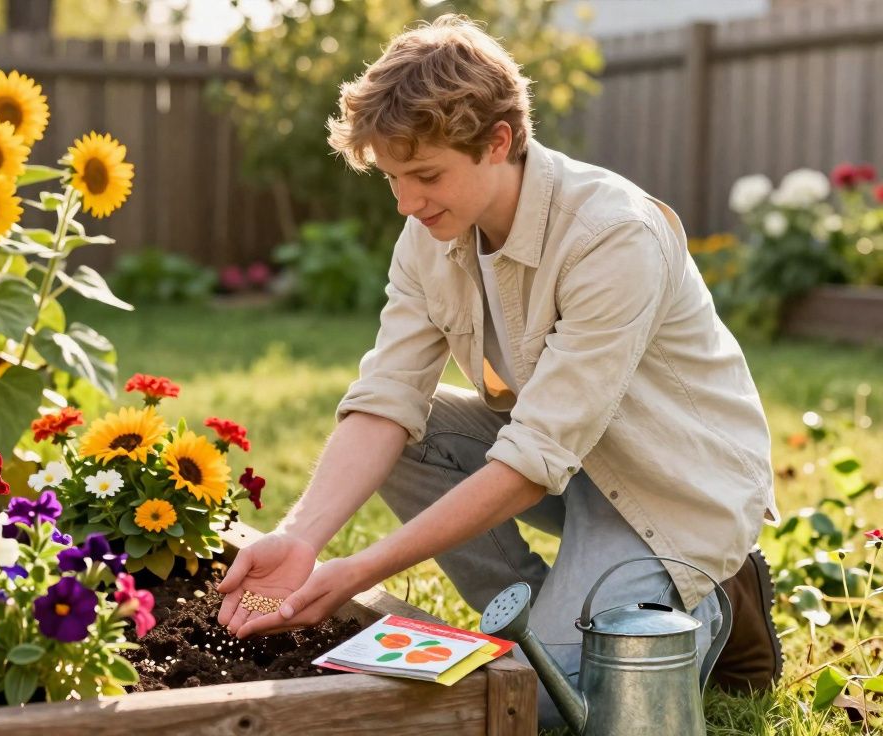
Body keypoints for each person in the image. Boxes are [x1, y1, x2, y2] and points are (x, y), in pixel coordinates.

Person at [214, 14, 782, 729]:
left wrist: (360, 572)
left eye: (425, 175)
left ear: (500, 141)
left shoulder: (612, 235)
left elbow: (530, 459)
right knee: (410, 441)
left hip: (669, 490)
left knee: (546, 708)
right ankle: (539, 619)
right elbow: (386, 398)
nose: (406, 203)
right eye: (393, 178)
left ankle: (720, 593)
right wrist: (302, 537)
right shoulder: (428, 234)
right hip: (564, 461)